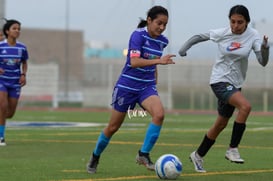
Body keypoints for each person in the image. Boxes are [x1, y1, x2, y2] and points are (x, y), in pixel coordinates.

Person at [178, 5, 269, 173]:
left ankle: (198, 155)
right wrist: (184, 48)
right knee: (245, 107)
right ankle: (232, 149)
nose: (235, 26)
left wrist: (265, 48)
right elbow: (200, 36)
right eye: (232, 21)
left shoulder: (253, 36)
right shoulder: (223, 33)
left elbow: (263, 61)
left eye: (239, 22)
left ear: (247, 22)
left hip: (235, 84)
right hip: (219, 81)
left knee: (221, 124)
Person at [86, 5, 175, 174]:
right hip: (127, 87)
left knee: (159, 114)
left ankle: (144, 154)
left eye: (165, 24)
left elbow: (155, 61)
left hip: (146, 87)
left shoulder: (163, 41)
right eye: (159, 23)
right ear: (149, 20)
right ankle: (95, 156)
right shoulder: (137, 35)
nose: (162, 28)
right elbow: (134, 62)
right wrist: (159, 62)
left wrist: (154, 81)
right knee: (113, 127)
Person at [0, 19, 29, 146]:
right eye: (14, 28)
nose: (17, 31)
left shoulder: (22, 47)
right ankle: (1, 137)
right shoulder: (1, 46)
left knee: (10, 113)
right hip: (1, 81)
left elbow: (24, 62)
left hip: (15, 83)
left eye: (19, 29)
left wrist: (23, 74)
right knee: (2, 106)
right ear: (7, 31)